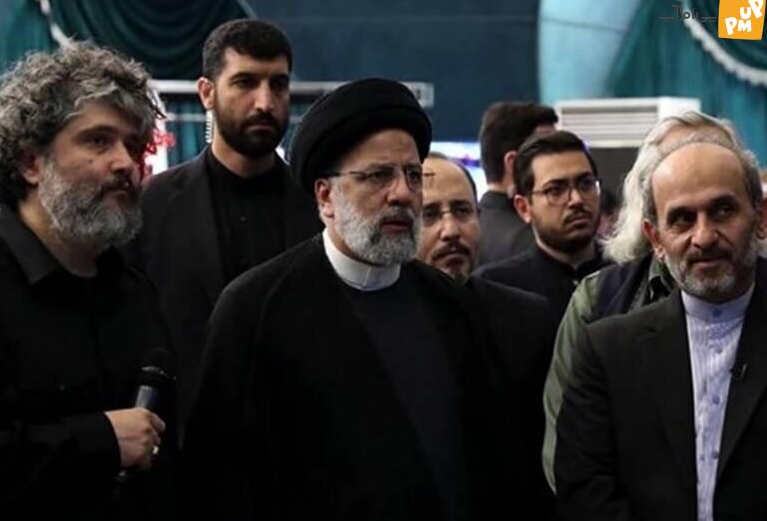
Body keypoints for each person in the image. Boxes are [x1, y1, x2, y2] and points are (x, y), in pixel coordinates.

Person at [182, 78, 527, 520]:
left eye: (412, 175)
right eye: (378, 176)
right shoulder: (255, 310)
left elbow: (494, 462)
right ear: (326, 196)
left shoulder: (451, 307)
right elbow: (219, 482)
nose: (402, 193)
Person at [0, 42, 176, 520]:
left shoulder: (133, 291)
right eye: (98, 141)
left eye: (132, 145)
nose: (125, 164)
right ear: (30, 162)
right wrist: (99, 440)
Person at [555, 129, 767, 520]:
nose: (703, 237)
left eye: (723, 211)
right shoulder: (608, 350)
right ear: (655, 239)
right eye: (682, 219)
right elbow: (584, 489)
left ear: (760, 217)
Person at [131, 19, 321, 432]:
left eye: (278, 85)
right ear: (207, 92)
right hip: (186, 443)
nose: (265, 103)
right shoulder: (152, 205)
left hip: (297, 441)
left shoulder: (320, 208)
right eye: (245, 83)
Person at [416, 152, 558, 517]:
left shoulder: (528, 319)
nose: (451, 230)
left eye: (462, 211)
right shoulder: (381, 327)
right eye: (429, 214)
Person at [476, 130, 607, 320]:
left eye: (586, 184)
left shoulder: (631, 274)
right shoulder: (495, 287)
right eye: (556, 190)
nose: (577, 200)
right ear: (524, 207)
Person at [477, 102, 558, 264]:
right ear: (514, 164)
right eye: (548, 153)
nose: (560, 163)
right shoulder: (535, 242)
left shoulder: (468, 232)